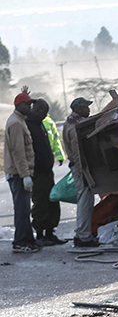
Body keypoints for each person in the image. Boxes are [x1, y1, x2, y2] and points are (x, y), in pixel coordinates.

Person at [26, 99, 64, 246]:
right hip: (38, 171)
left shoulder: (41, 123)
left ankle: (50, 232)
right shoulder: (29, 124)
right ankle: (41, 235)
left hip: (47, 170)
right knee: (41, 202)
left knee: (52, 201)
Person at [4, 92, 39, 253]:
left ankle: (27, 240)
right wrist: (25, 175)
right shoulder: (16, 123)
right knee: (22, 209)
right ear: (18, 105)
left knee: (24, 209)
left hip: (19, 173)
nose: (30, 107)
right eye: (27, 104)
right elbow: (18, 152)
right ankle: (20, 242)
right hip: (19, 174)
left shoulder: (19, 120)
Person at [63, 97, 99, 248]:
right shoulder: (75, 126)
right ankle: (83, 236)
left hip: (79, 168)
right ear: (78, 108)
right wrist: (83, 172)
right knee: (85, 202)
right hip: (80, 169)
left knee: (85, 200)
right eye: (86, 107)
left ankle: (82, 234)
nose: (89, 109)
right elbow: (77, 152)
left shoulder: (71, 122)